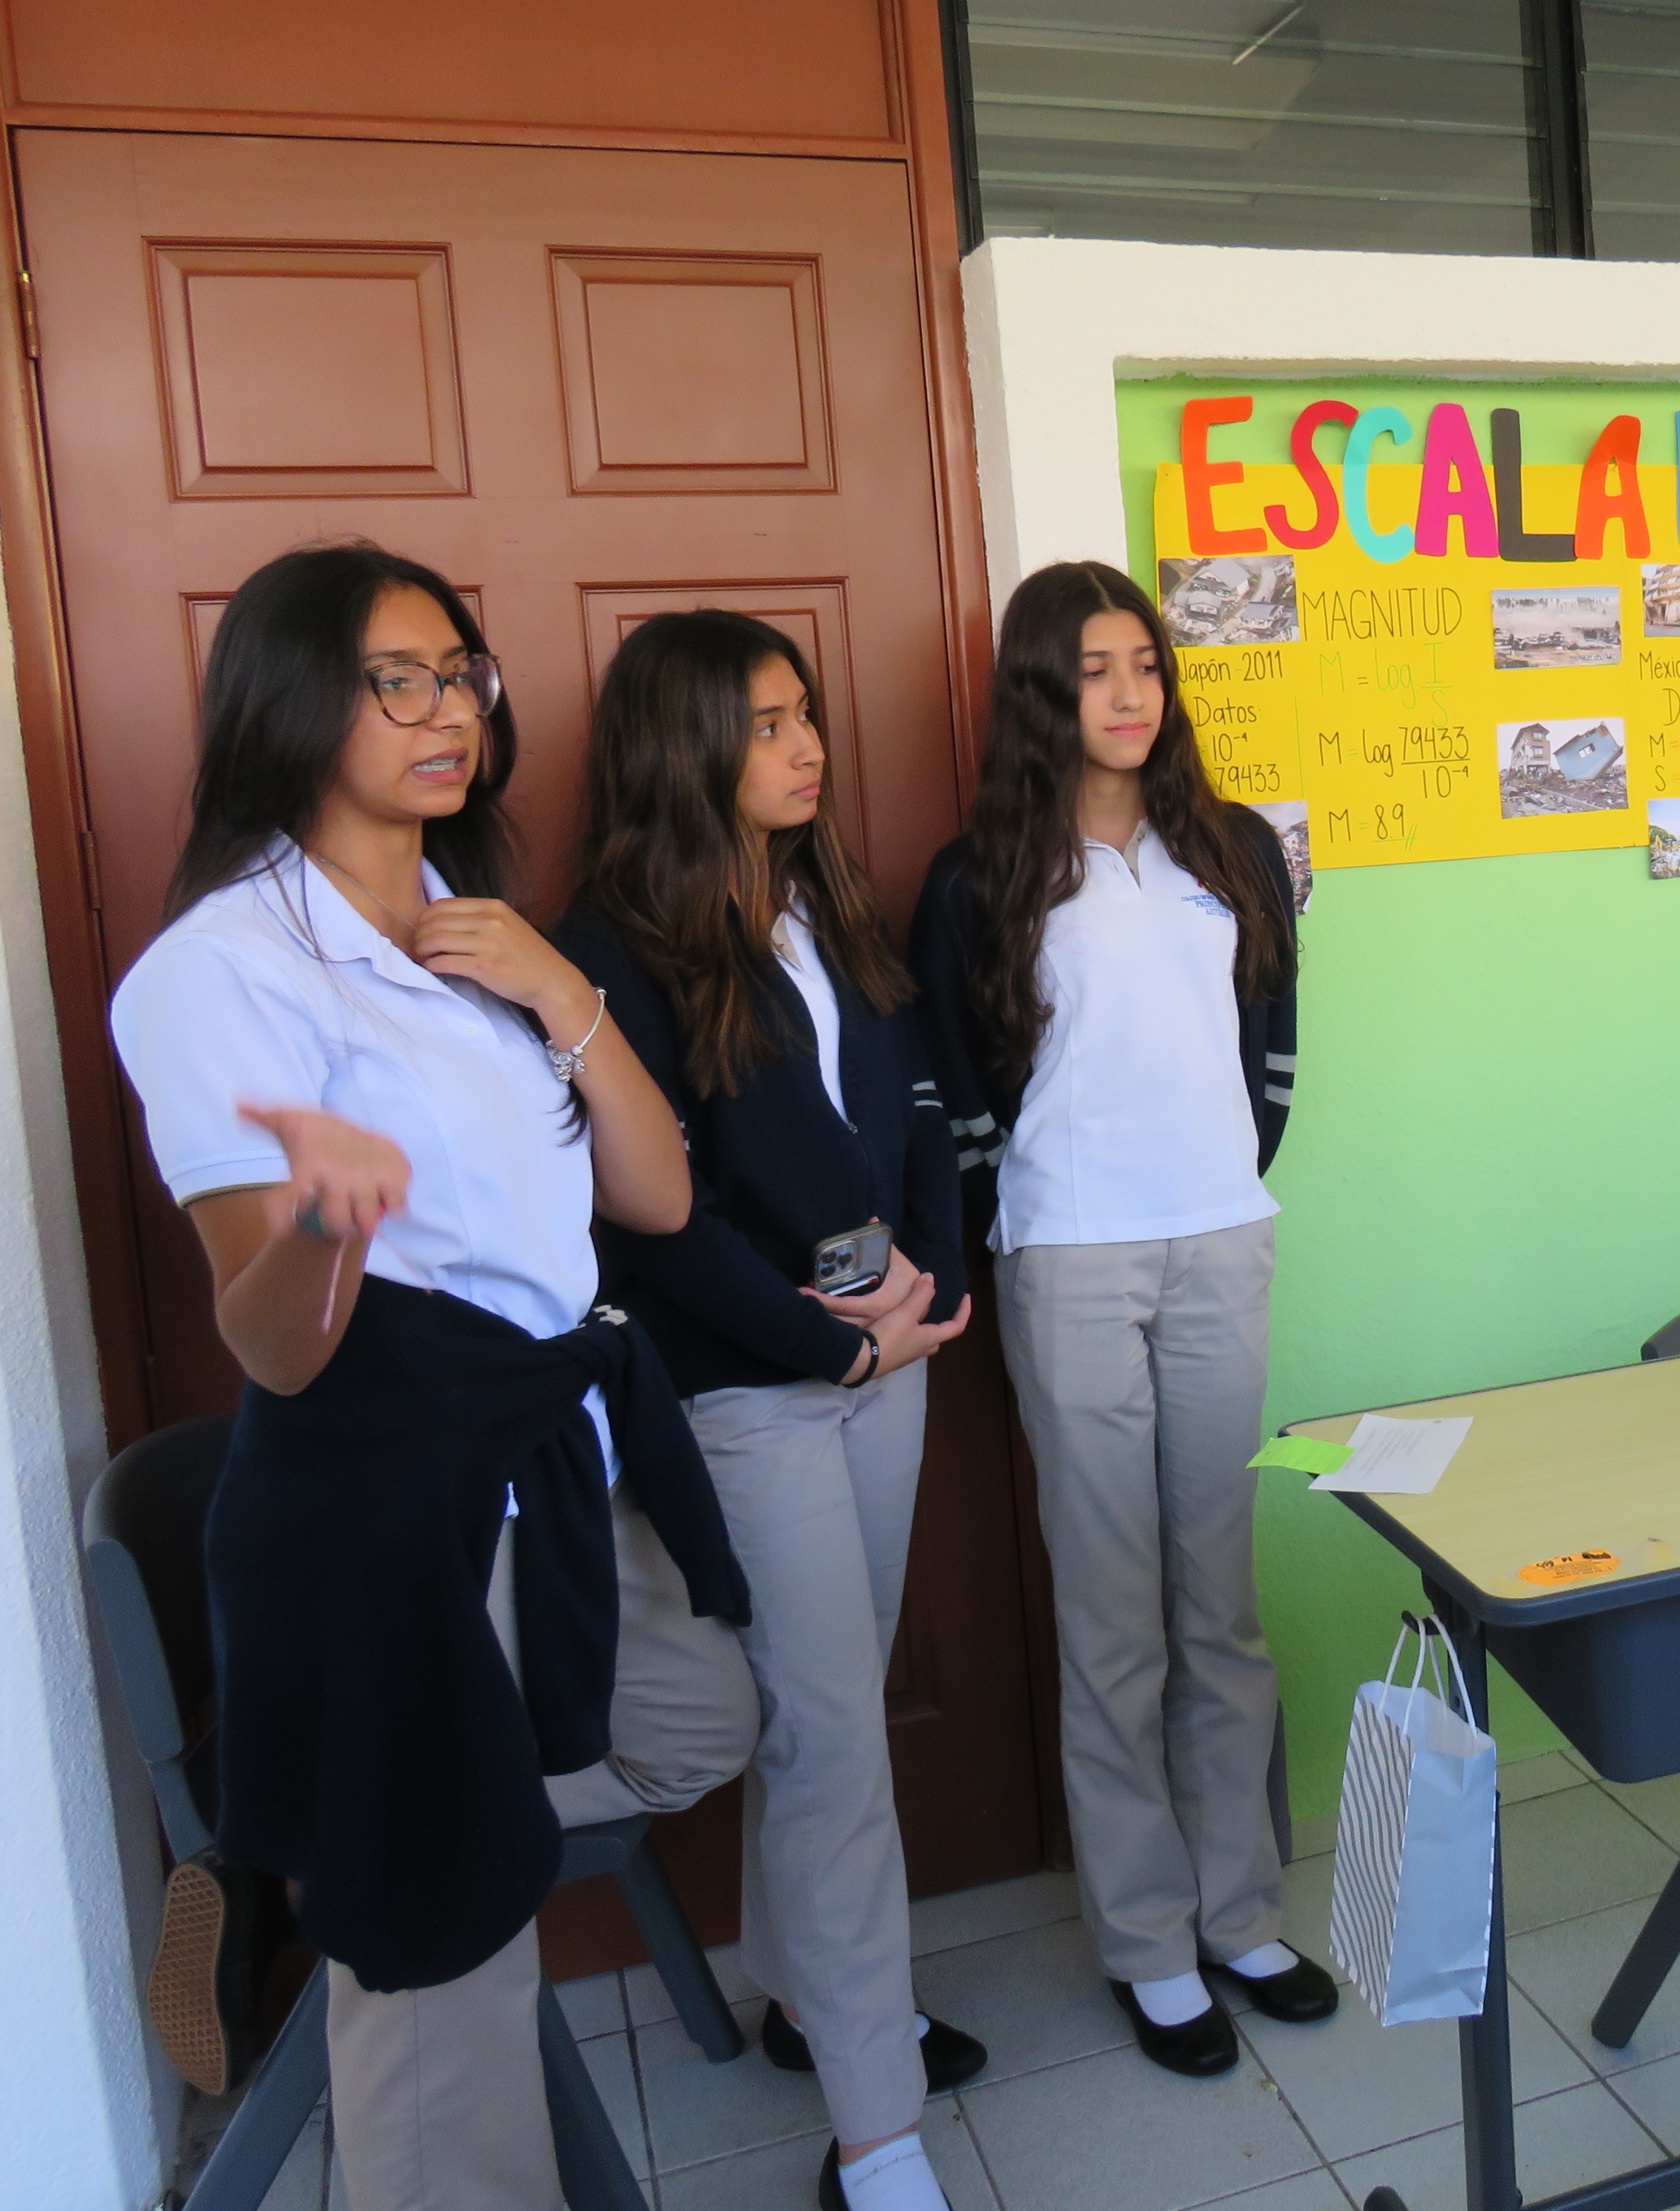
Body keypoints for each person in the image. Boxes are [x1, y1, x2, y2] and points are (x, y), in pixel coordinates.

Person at [108, 544, 759, 2211]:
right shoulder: (218, 973)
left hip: (554, 1455)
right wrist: (329, 1218)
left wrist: (565, 995)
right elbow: (275, 1345)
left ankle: (293, 1840)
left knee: (702, 1715)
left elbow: (656, 1197)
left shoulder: (482, 938)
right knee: (441, 1988)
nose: (444, 709)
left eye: (460, 673)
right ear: (290, 702)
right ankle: (361, 1854)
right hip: (386, 1501)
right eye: (394, 679)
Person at [561, 612, 983, 2211]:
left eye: (805, 713)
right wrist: (829, 1348)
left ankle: (810, 1999)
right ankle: (879, 2135)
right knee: (829, 1743)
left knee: (831, 1712)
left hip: (885, 1368)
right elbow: (654, 1223)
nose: (809, 746)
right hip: (754, 1392)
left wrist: (932, 1287)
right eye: (766, 723)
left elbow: (922, 1108)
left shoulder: (825, 902)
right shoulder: (613, 949)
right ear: (683, 749)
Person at [909, 561, 1329, 2078]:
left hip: (1219, 1241)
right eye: (1095, 669)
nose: (1131, 694)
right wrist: (1005, 1221)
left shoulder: (1229, 845)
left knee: (1220, 1608)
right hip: (1071, 1259)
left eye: (1146, 663)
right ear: (1042, 690)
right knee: (1112, 1623)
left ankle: (1240, 1914)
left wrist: (1227, 1166)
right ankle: (1149, 1945)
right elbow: (959, 1082)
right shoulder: (979, 878)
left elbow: (1271, 1033)